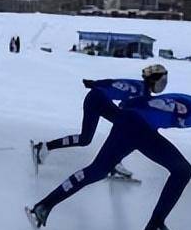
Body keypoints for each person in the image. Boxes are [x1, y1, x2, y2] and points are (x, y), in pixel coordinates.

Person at [26, 73, 191, 230]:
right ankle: (155, 226)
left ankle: (42, 207)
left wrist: (127, 113)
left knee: (97, 170)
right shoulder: (190, 108)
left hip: (136, 127)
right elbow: (156, 103)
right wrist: (127, 109)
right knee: (182, 170)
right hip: (136, 126)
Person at [31, 64, 169, 180]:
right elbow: (124, 104)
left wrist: (94, 83)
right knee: (124, 127)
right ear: (153, 80)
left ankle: (44, 147)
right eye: (162, 82)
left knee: (85, 139)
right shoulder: (142, 92)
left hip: (94, 97)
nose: (163, 85)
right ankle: (114, 163)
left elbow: (112, 82)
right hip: (97, 99)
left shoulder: (137, 85)